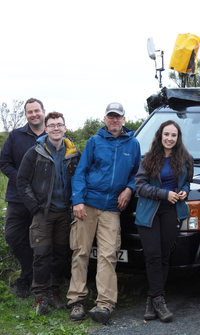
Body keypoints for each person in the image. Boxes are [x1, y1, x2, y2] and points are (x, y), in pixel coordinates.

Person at [67, 102, 141, 325]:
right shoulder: (94, 142)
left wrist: (129, 189)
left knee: (108, 255)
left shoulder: (133, 144)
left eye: (118, 117)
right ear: (105, 119)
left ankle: (104, 304)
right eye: (111, 116)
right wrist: (78, 201)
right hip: (88, 205)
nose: (114, 120)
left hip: (112, 209)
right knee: (81, 251)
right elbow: (80, 173)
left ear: (124, 119)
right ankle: (76, 300)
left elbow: (137, 173)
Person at [17, 112, 81, 315]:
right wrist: (34, 207)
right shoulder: (35, 153)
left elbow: (79, 179)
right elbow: (22, 181)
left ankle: (54, 291)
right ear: (46, 129)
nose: (56, 128)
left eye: (59, 125)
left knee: (60, 254)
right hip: (43, 212)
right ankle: (40, 295)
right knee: (41, 254)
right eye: (52, 125)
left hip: (65, 213)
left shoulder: (73, 153)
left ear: (64, 128)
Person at [134, 120, 193, 323]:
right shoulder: (148, 159)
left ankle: (153, 298)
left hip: (171, 211)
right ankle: (159, 299)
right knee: (152, 255)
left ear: (178, 138)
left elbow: (186, 182)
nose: (169, 138)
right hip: (149, 211)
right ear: (160, 136)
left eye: (173, 135)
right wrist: (163, 194)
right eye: (166, 134)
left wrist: (184, 191)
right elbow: (139, 186)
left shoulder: (185, 159)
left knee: (165, 256)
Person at [0, 98, 46, 298]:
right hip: (17, 198)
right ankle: (30, 273)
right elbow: (4, 163)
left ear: (43, 111)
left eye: (37, 111)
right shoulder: (15, 136)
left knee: (40, 241)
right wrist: (22, 180)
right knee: (13, 236)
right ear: (26, 114)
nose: (34, 114)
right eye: (30, 112)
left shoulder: (52, 135)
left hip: (41, 200)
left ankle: (29, 281)